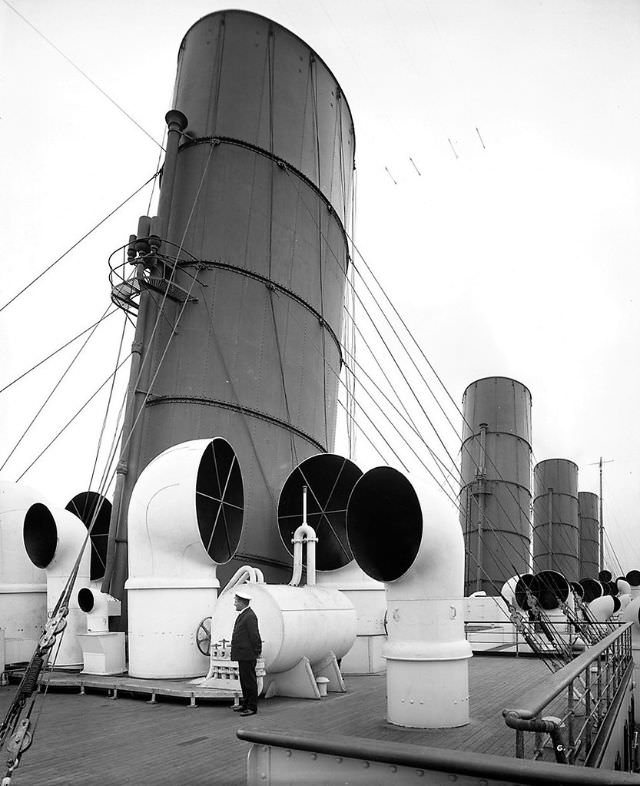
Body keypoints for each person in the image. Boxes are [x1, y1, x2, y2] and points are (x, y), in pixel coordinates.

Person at [230, 589, 262, 716]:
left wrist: (257, 651)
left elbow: (255, 636)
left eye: (236, 601)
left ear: (242, 603)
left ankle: (252, 707)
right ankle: (245, 704)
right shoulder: (244, 614)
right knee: (244, 680)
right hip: (243, 654)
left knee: (249, 681)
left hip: (248, 654)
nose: (235, 604)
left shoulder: (249, 616)